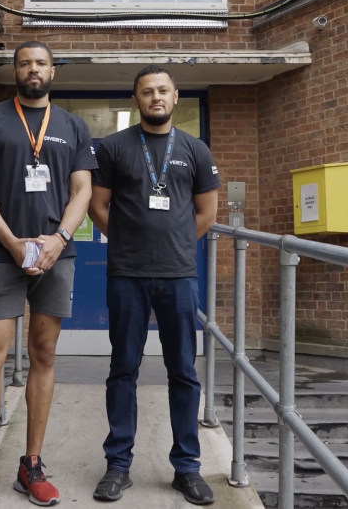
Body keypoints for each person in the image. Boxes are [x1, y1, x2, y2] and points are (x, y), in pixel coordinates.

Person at [0, 41, 97, 508]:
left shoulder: (73, 126)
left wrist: (58, 239)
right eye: (24, 63)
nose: (33, 69)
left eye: (40, 63)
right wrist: (14, 242)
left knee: (44, 352)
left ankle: (30, 465)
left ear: (53, 69)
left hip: (57, 255)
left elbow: (82, 191)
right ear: (15, 70)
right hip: (1, 252)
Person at [88, 65, 220, 505]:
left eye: (163, 90)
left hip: (179, 275)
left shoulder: (195, 149)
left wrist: (175, 245)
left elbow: (207, 213)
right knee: (123, 369)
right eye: (147, 91)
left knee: (182, 371)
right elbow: (97, 206)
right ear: (136, 99)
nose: (155, 97)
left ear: (175, 96)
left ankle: (187, 467)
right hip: (127, 274)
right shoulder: (113, 147)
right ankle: (118, 465)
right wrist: (130, 243)